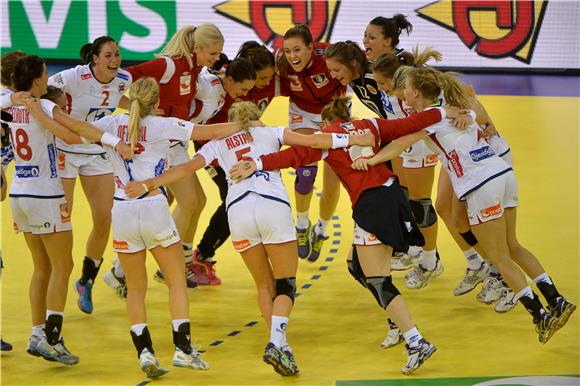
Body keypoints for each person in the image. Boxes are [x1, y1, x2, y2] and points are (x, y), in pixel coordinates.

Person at [124, 101, 374, 376]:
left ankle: (283, 346)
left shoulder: (217, 143)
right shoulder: (271, 132)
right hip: (271, 206)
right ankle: (277, 342)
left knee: (263, 285)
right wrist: (353, 138)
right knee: (286, 284)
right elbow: (313, 141)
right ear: (257, 117)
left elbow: (184, 169)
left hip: (239, 213)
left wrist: (148, 184)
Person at [229, 97, 466, 374]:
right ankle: (398, 314)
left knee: (378, 280)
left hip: (371, 203)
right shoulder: (370, 126)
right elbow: (409, 124)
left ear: (326, 122)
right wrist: (442, 111)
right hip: (392, 196)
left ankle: (414, 340)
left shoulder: (328, 138)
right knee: (356, 265)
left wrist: (256, 164)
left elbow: (294, 156)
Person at [353, 66, 576, 344]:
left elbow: (398, 144)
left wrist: (371, 160)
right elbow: (475, 109)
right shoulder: (456, 109)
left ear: (415, 92)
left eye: (406, 88)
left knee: (500, 257)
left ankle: (539, 315)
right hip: (503, 174)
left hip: (479, 184)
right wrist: (485, 122)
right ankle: (557, 300)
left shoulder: (428, 119)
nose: (403, 92)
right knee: (513, 246)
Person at [87, 77, 248, 378]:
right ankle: (183, 350)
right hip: (153, 209)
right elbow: (209, 131)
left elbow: (74, 128)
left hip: (121, 210)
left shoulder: (109, 125)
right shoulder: (164, 125)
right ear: (156, 101)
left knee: (135, 289)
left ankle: (145, 352)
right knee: (175, 281)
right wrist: (247, 125)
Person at [8, 54, 131, 365]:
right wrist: (112, 141)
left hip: (19, 194)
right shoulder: (44, 105)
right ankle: (51, 338)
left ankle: (38, 333)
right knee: (63, 266)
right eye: (46, 73)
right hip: (47, 196)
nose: (48, 78)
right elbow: (73, 132)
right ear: (37, 80)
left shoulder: (7, 102)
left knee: (42, 268)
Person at [121, 24, 225, 292]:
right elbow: (125, 78)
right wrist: (136, 111)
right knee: (188, 201)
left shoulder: (193, 70)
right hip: (160, 143)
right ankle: (167, 267)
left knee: (195, 201)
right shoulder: (168, 65)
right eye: (212, 53)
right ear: (197, 48)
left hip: (175, 141)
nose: (216, 58)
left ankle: (133, 268)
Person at [48, 36, 132, 314]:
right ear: (94, 58)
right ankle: (54, 280)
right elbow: (43, 92)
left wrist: (137, 108)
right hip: (65, 150)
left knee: (105, 218)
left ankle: (86, 280)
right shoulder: (73, 76)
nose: (114, 60)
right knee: (62, 218)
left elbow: (116, 95)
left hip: (97, 152)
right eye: (108, 55)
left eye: (117, 54)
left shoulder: (123, 78)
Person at [277, 24, 346, 262]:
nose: (292, 56)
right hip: (302, 113)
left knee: (333, 182)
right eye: (287, 51)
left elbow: (356, 65)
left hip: (334, 112)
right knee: (306, 171)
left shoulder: (330, 55)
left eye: (297, 50)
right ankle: (302, 225)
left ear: (311, 47)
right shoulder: (282, 64)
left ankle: (322, 230)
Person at [184, 56, 257, 285]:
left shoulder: (227, 84)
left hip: (224, 151)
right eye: (243, 88)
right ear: (232, 79)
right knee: (229, 201)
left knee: (234, 201)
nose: (244, 93)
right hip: (209, 151)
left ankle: (197, 256)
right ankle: (195, 257)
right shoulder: (210, 89)